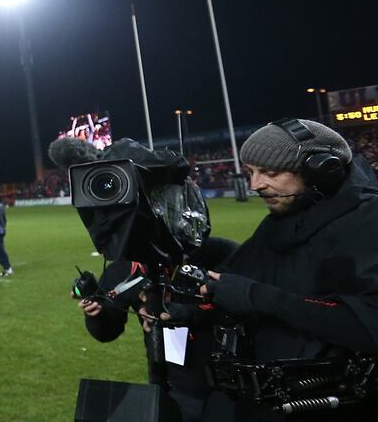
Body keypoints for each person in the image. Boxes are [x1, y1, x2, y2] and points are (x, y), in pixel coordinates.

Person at [155, 119, 378, 421]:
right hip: (255, 398)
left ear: (322, 170)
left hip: (324, 406)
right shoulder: (278, 222)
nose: (255, 185)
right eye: (251, 172)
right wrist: (192, 312)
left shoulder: (369, 221)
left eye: (270, 173)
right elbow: (230, 286)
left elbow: (365, 323)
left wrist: (257, 296)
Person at [78, 237, 239, 422]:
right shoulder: (126, 267)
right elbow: (107, 331)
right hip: (171, 385)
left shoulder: (218, 251)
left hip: (230, 381)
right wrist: (97, 315)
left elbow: (244, 303)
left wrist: (185, 311)